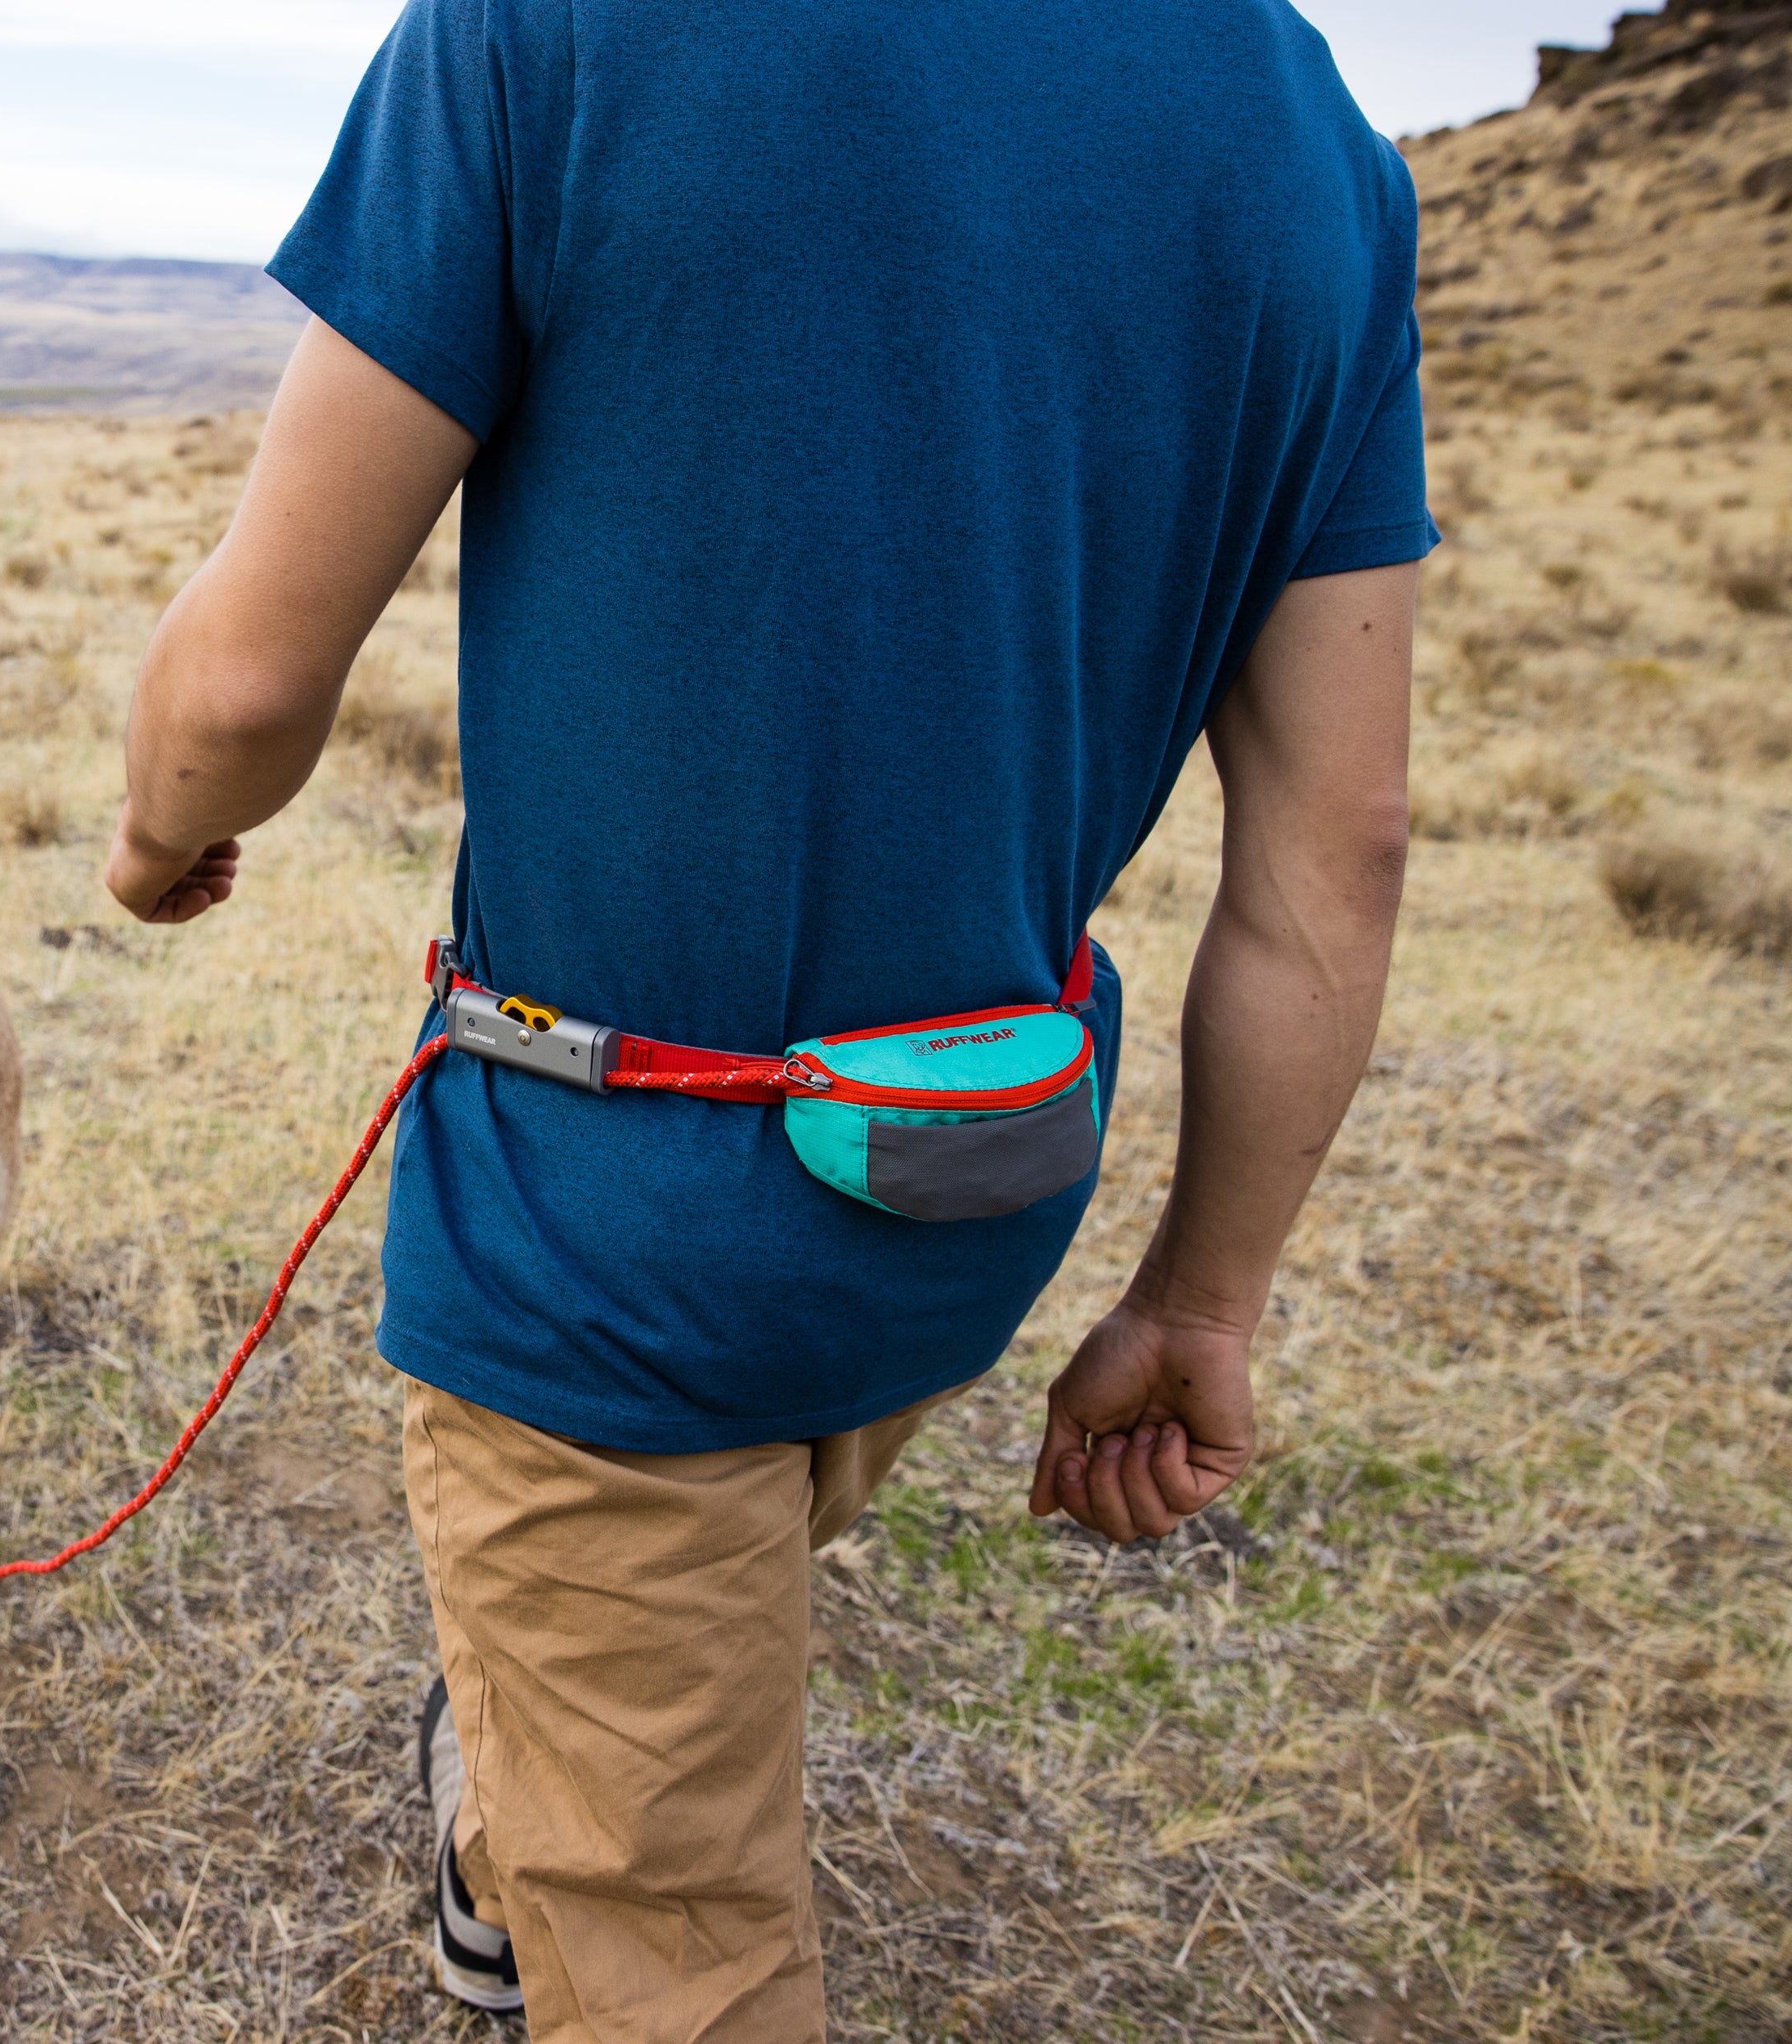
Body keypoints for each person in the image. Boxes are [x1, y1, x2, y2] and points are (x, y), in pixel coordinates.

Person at [101, 1, 1428, 2033]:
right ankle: (505, 1840)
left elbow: (242, 689)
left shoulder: (550, 29)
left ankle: (554, 1834)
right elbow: (1339, 854)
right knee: (660, 1631)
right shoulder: (1318, 144)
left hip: (607, 1248)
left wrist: (155, 835)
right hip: (971, 1178)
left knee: (684, 1954)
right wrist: (1207, 1294)